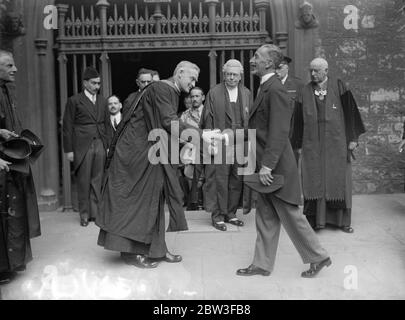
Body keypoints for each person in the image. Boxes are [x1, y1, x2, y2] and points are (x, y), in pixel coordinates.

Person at [96, 61, 222, 269]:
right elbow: (168, 122)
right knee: (136, 203)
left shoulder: (164, 89)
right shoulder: (163, 89)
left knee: (153, 200)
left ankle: (157, 250)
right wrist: (201, 135)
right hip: (136, 155)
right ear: (179, 73)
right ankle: (131, 253)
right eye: (191, 79)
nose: (193, 85)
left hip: (147, 153)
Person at [236, 44, 331, 278]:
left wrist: (267, 165)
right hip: (268, 163)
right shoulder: (267, 87)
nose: (252, 60)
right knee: (266, 213)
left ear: (269, 63)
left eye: (257, 57)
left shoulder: (274, 89)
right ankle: (262, 263)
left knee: (290, 213)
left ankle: (319, 257)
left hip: (275, 165)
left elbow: (279, 131)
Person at [291, 57, 365, 233]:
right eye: (311, 70)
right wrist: (298, 143)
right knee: (314, 179)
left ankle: (341, 222)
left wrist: (353, 138)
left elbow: (350, 112)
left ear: (326, 71)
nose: (313, 74)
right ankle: (316, 221)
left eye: (316, 70)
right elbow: (299, 120)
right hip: (312, 145)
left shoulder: (339, 86)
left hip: (337, 144)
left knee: (338, 179)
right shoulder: (304, 91)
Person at [0, 50, 41, 284]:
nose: (15, 69)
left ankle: (13, 263)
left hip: (13, 159)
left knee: (15, 213)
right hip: (2, 163)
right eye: (9, 65)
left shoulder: (8, 89)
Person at [200, 59, 251, 231]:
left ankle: (231, 213)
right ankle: (218, 216)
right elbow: (208, 118)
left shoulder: (246, 93)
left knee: (236, 179)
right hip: (220, 142)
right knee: (218, 180)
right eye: (228, 74)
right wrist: (211, 142)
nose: (231, 78)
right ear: (224, 74)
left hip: (239, 142)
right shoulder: (214, 93)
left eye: (234, 75)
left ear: (240, 76)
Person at [62, 67, 108, 227]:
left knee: (98, 179)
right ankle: (84, 214)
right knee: (83, 181)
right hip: (82, 145)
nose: (97, 86)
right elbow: (67, 126)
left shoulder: (103, 100)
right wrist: (68, 150)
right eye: (94, 83)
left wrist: (107, 145)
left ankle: (95, 214)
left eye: (99, 83)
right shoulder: (74, 100)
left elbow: (107, 124)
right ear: (85, 83)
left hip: (100, 142)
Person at [180, 86, 205, 210]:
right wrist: (186, 144)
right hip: (190, 150)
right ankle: (194, 202)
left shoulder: (209, 112)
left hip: (207, 150)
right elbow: (178, 133)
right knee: (190, 176)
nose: (194, 99)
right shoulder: (185, 115)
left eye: (197, 96)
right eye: (192, 96)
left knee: (206, 177)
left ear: (203, 97)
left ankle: (205, 203)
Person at [276, 56, 304, 164]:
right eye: (275, 68)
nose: (276, 71)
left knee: (293, 165)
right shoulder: (269, 84)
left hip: (293, 133)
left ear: (287, 68)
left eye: (279, 68)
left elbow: (303, 113)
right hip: (276, 133)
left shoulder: (298, 85)